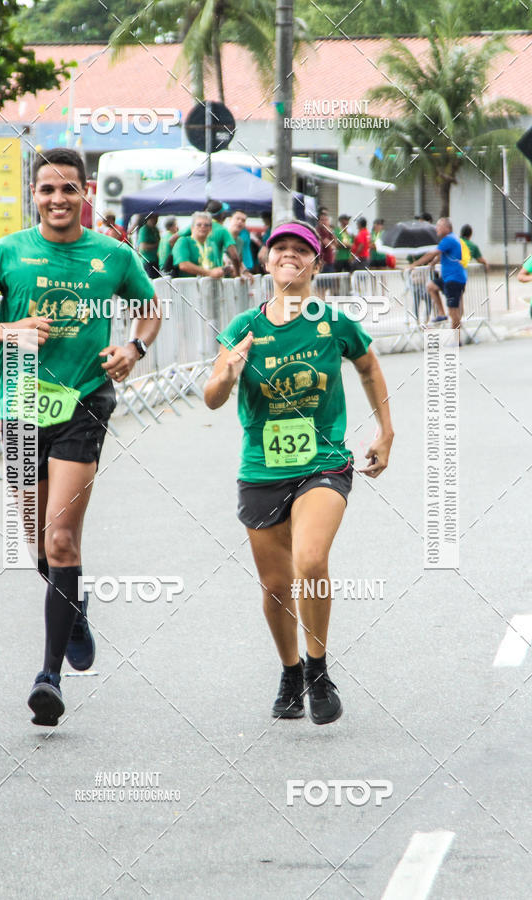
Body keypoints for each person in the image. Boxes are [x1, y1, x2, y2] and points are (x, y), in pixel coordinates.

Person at [0, 148, 160, 727]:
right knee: (37, 541)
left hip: (84, 401)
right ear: (34, 195)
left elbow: (149, 309)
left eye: (68, 188)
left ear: (86, 193)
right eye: (47, 189)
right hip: (21, 405)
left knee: (62, 540)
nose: (58, 199)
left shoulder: (113, 255)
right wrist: (8, 329)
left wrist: (134, 347)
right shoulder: (6, 253)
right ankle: (74, 606)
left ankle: (49, 678)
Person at [204, 220, 394, 725]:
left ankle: (317, 667)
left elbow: (369, 367)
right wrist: (229, 370)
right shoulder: (243, 326)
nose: (290, 255)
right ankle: (290, 671)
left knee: (310, 561)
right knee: (275, 587)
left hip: (323, 463)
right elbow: (212, 398)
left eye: (301, 249)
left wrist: (386, 431)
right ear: (266, 261)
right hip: (262, 468)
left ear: (316, 263)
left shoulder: (333, 322)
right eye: (280, 248)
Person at [406, 216, 467, 329]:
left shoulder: (448, 239)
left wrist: (414, 264)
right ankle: (441, 313)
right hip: (448, 278)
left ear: (447, 228)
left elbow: (432, 253)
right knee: (431, 286)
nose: (436, 228)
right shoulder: (450, 239)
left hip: (454, 279)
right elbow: (441, 254)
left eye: (439, 226)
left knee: (453, 312)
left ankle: (456, 337)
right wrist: (433, 263)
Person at [172, 211, 224, 278]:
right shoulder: (183, 241)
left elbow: (217, 267)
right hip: (187, 283)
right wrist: (209, 273)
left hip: (209, 283)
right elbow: (184, 265)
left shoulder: (212, 244)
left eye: (206, 225)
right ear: (192, 228)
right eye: (199, 224)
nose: (203, 227)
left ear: (210, 229)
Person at [228, 210, 255, 276]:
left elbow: (239, 260)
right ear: (230, 220)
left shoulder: (240, 241)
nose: (240, 222)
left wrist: (245, 272)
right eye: (237, 219)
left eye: (243, 220)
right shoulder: (223, 236)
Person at [137, 213, 160, 279]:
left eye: (157, 218)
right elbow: (143, 247)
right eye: (154, 218)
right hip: (147, 261)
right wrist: (156, 245)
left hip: (155, 260)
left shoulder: (156, 229)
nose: (156, 220)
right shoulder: (144, 229)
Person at [316, 208, 335, 273]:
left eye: (326, 220)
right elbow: (328, 244)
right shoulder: (318, 231)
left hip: (330, 261)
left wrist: (331, 232)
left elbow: (336, 243)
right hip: (322, 262)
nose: (324, 222)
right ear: (319, 221)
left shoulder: (329, 231)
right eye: (322, 220)